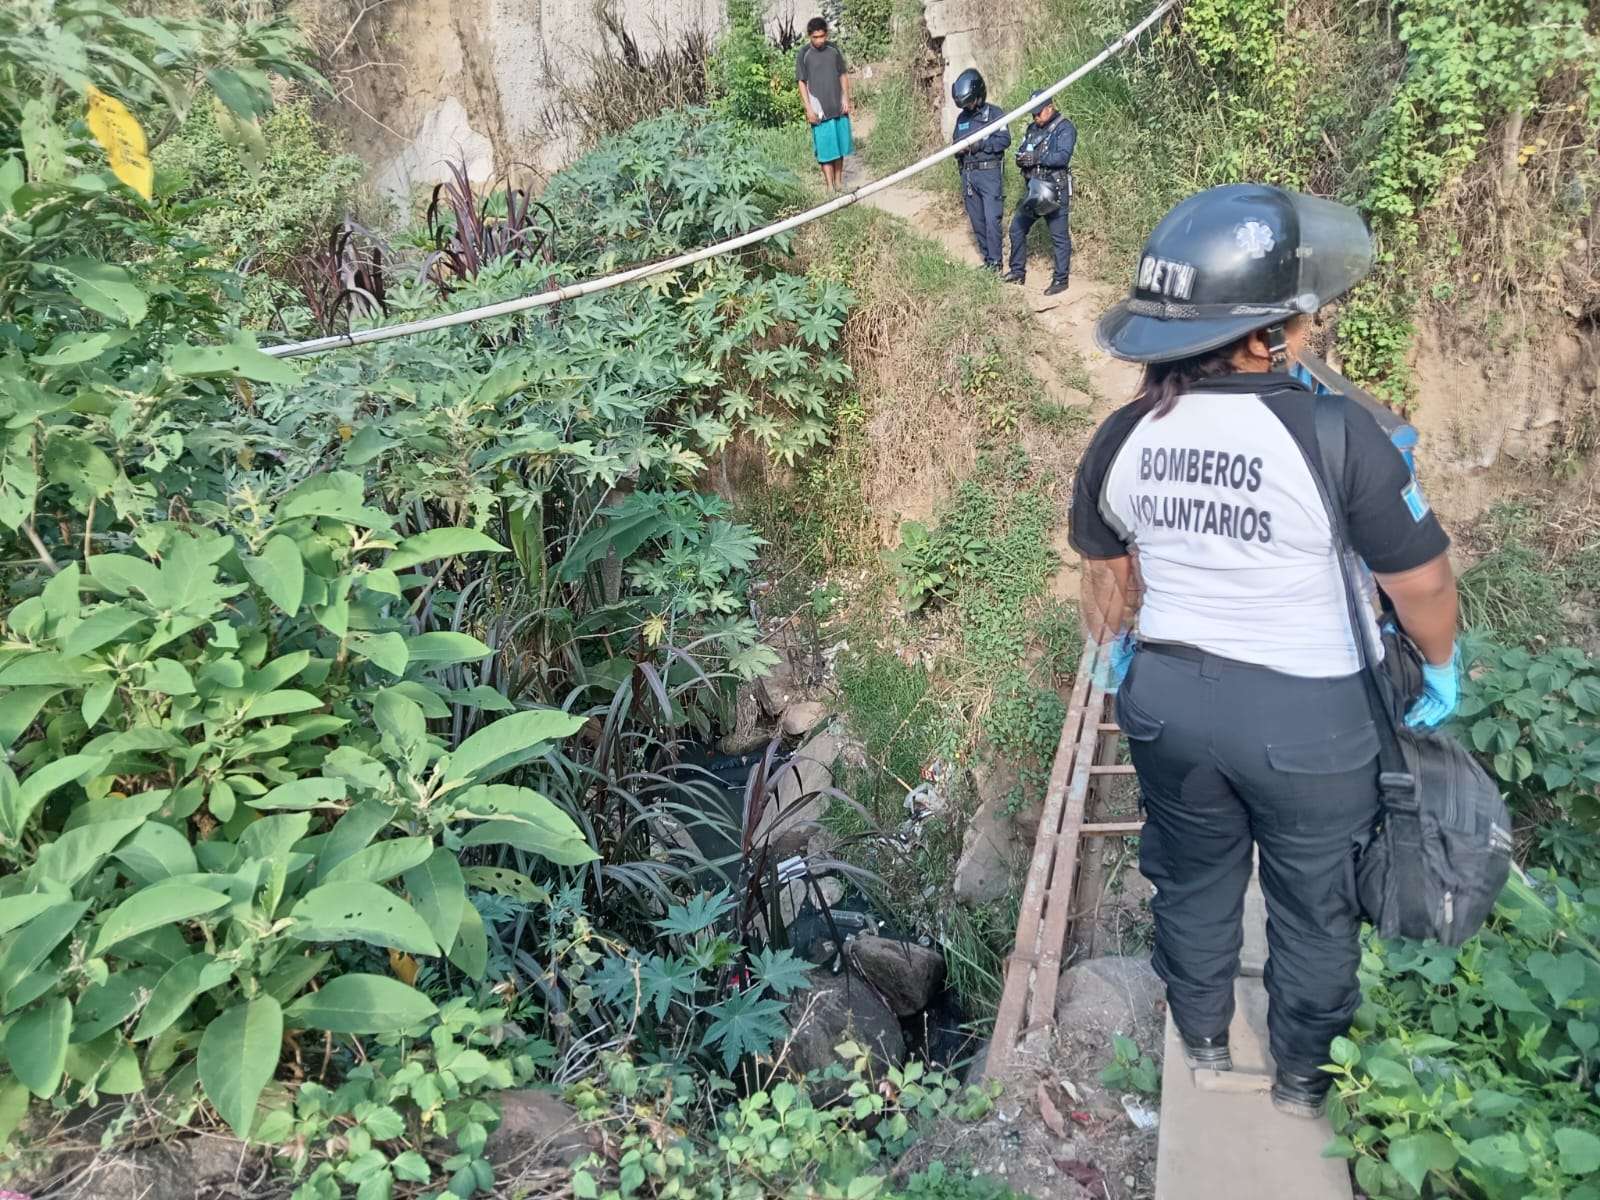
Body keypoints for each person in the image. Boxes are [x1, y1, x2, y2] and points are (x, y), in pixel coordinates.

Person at [1068, 183, 1461, 1119]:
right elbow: (1425, 585)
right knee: (1313, 902)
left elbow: (1106, 576)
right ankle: (1299, 1080)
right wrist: (1439, 666)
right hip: (1310, 719)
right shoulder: (1339, 433)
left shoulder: (1125, 434)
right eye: (1301, 317)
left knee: (1192, 878)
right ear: (1261, 339)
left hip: (1168, 704)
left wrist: (1113, 656)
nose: (1314, 326)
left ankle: (1202, 1042)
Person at [1005, 90, 1075, 295]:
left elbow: (1062, 157)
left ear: (1049, 108)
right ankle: (1018, 272)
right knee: (1016, 228)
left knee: (1059, 237)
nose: (1035, 117)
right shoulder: (1032, 128)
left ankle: (1061, 280)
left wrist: (1036, 158)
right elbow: (1023, 150)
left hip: (1054, 190)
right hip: (1035, 190)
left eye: (1038, 113)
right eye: (1032, 114)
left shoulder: (1064, 128)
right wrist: (1021, 159)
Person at [950, 67, 1011, 272]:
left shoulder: (995, 113)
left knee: (992, 218)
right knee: (977, 220)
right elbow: (955, 142)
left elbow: (1004, 140)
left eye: (969, 102)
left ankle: (996, 262)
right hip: (969, 175)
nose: (966, 107)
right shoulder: (962, 119)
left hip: (989, 173)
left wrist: (979, 145)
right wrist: (959, 151)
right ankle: (988, 260)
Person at [796, 17, 852, 192]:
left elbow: (842, 74)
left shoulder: (833, 50)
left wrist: (845, 98)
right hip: (819, 110)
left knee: (840, 146)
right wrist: (808, 109)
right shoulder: (804, 54)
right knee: (825, 150)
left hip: (838, 106)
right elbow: (801, 82)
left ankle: (839, 183)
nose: (819, 41)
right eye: (815, 37)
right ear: (809, 36)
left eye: (822, 36)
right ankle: (829, 187)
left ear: (826, 34)